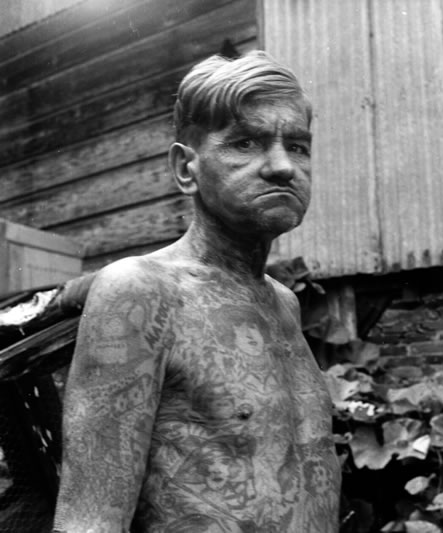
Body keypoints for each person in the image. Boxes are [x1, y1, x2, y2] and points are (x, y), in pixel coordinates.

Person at [53, 50, 341, 533]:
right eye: (246, 143)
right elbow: (89, 521)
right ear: (186, 168)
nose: (282, 167)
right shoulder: (143, 292)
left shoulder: (283, 303)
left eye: (298, 145)